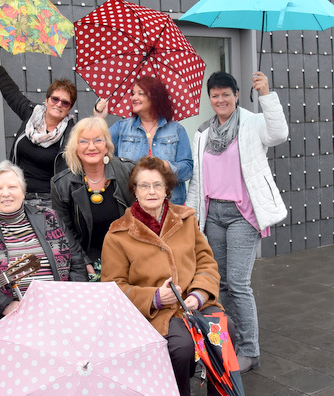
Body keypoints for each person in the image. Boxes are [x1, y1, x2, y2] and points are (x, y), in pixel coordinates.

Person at [101, 156, 231, 396]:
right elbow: (113, 287)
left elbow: (206, 262)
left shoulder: (186, 218)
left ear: (167, 189)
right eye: (144, 185)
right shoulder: (118, 234)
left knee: (223, 332)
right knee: (181, 348)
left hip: (195, 306)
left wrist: (200, 294)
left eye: (157, 185)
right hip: (156, 314)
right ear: (135, 191)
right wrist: (156, 298)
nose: (151, 191)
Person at [186, 71, 288, 373]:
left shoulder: (253, 123)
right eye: (215, 95)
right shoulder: (203, 133)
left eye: (226, 94)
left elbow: (279, 133)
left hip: (243, 213)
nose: (220, 100)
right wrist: (192, 217)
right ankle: (226, 342)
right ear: (210, 99)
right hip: (212, 214)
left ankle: (250, 349)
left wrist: (267, 93)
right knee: (221, 284)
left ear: (237, 94)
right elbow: (197, 181)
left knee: (240, 284)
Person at [0, 160, 88, 343]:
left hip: (59, 312)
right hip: (6, 319)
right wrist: (6, 305)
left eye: (12, 187)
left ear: (23, 191)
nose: (6, 193)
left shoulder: (49, 217)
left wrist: (69, 301)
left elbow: (76, 261)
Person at [0, 57, 77, 207]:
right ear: (46, 100)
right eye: (55, 99)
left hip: (49, 201)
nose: (59, 104)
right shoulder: (31, 114)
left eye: (65, 102)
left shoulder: (71, 133)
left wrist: (99, 115)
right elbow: (11, 92)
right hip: (17, 195)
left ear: (69, 108)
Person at [51, 117, 135, 281]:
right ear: (76, 148)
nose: (91, 147)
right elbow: (64, 232)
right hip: (88, 258)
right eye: (84, 141)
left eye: (98, 140)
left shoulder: (128, 171)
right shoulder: (62, 184)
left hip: (129, 254)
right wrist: (83, 262)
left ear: (106, 145)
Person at [94, 75, 193, 205]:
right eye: (133, 93)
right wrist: (99, 118)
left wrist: (166, 166)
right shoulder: (122, 128)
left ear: (155, 97)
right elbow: (98, 148)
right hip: (133, 205)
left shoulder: (176, 130)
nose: (134, 98)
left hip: (170, 207)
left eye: (140, 93)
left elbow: (188, 170)